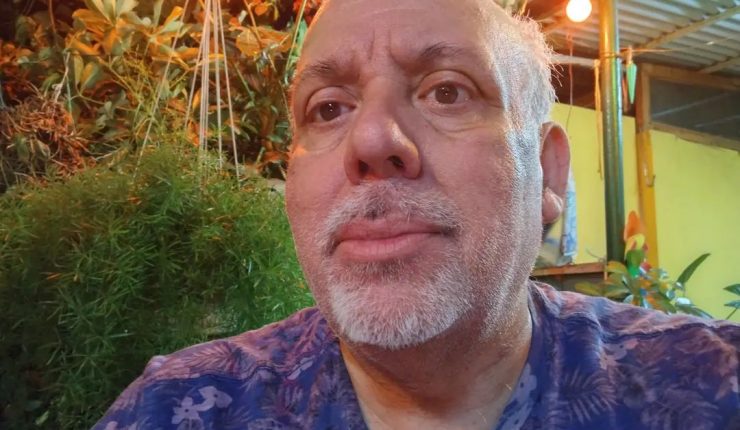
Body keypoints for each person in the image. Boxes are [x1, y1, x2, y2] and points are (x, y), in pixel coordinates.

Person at [94, 0, 739, 429]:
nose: (373, 140)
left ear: (547, 173)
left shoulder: (711, 388)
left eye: (447, 92)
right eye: (328, 108)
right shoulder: (178, 409)